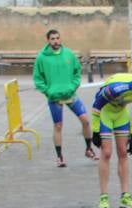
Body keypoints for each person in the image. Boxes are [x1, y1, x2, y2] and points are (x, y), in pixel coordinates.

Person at [33, 30, 96, 168]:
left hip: (70, 95)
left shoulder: (69, 54)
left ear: (60, 39)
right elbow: (38, 79)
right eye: (52, 39)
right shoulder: (42, 58)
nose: (55, 41)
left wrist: (73, 86)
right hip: (54, 97)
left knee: (85, 121)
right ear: (48, 41)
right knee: (58, 126)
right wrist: (48, 91)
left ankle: (88, 148)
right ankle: (59, 156)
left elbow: (77, 72)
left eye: (57, 38)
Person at [90, 72, 132, 208]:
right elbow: (97, 105)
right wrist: (95, 130)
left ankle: (125, 195)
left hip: (121, 113)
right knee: (106, 153)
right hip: (105, 112)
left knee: (123, 152)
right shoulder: (117, 88)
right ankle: (104, 196)